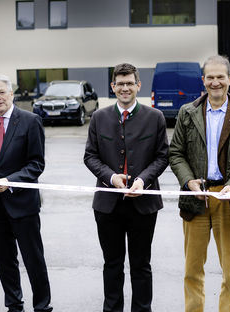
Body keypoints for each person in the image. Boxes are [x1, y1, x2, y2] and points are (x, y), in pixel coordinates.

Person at [169, 55, 230, 312]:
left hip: (229, 198)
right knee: (192, 270)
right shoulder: (187, 113)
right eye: (210, 77)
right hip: (195, 196)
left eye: (221, 77)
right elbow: (175, 153)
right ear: (203, 80)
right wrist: (189, 182)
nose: (215, 82)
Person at [84, 63, 169, 312]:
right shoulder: (99, 117)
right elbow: (90, 156)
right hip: (108, 206)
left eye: (129, 83)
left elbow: (162, 157)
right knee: (112, 264)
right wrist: (111, 178)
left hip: (143, 205)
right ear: (112, 87)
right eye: (120, 84)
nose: (125, 88)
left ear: (138, 85)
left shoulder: (155, 118)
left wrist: (143, 180)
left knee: (141, 265)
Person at [0, 74, 53, 312]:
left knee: (33, 259)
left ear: (12, 94)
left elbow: (36, 164)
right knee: (4, 260)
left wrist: (10, 181)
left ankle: (42, 306)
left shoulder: (30, 121)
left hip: (22, 203)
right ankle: (13, 304)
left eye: (1, 92)